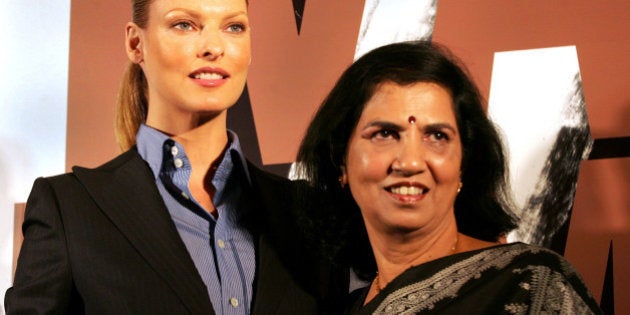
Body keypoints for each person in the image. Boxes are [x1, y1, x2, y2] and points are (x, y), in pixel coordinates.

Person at [5, 0, 344, 314]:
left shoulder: (303, 212)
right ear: (136, 44)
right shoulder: (70, 208)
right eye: (184, 25)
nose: (214, 47)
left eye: (234, 27)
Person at [295, 41, 602, 314]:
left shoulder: (529, 284)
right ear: (341, 162)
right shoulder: (344, 308)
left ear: (463, 164)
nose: (411, 162)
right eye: (385, 133)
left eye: (437, 136)